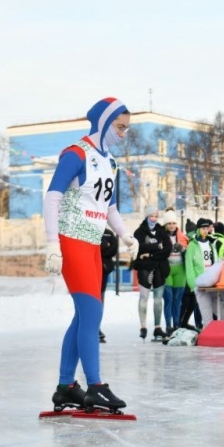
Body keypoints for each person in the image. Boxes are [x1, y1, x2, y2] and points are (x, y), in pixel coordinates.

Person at [43, 97, 137, 413]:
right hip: (72, 240)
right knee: (92, 313)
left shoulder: (108, 161)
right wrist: (52, 243)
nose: (123, 134)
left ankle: (65, 386)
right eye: (119, 127)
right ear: (103, 122)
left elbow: (108, 205)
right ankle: (95, 386)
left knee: (83, 315)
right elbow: (52, 196)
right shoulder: (76, 154)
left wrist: (124, 233)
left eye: (126, 129)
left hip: (93, 243)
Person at [133, 206, 171, 340]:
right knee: (143, 297)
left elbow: (167, 249)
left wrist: (149, 254)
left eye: (156, 216)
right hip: (145, 268)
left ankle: (157, 327)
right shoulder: (139, 231)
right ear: (146, 216)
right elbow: (137, 247)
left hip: (159, 267)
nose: (154, 219)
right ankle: (143, 326)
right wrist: (156, 247)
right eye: (151, 216)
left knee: (158, 299)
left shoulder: (161, 231)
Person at [185, 217, 224, 327]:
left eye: (206, 228)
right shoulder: (192, 245)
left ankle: (223, 327)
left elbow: (216, 261)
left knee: (218, 306)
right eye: (203, 228)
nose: (205, 230)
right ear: (198, 229)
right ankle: (206, 329)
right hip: (200, 280)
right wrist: (192, 283)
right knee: (204, 309)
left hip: (212, 280)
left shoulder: (211, 243)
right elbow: (189, 265)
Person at [162, 211, 187, 335]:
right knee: (168, 298)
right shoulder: (161, 235)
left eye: (173, 223)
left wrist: (182, 249)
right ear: (165, 224)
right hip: (168, 269)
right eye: (169, 223)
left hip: (180, 270)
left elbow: (190, 254)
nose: (172, 226)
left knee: (177, 299)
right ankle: (168, 325)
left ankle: (176, 324)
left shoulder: (182, 236)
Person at [98, 227, 119, 343]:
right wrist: (104, 247)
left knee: (100, 298)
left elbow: (113, 248)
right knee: (92, 299)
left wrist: (102, 249)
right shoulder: (88, 230)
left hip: (104, 269)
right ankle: (90, 327)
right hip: (90, 269)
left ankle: (97, 327)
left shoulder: (108, 233)